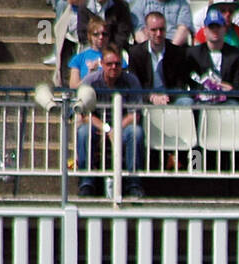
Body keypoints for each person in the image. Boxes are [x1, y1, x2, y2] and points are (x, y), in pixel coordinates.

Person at [76, 45, 146, 197]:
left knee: (136, 132)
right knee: (83, 132)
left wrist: (116, 129)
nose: (114, 67)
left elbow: (135, 114)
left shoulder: (131, 81)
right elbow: (84, 114)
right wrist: (107, 128)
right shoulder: (90, 81)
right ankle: (86, 182)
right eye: (109, 64)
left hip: (123, 125)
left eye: (117, 64)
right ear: (101, 64)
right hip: (97, 125)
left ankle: (134, 184)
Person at [128, 10, 194, 101]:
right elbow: (134, 85)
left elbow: (180, 85)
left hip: (170, 97)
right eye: (154, 30)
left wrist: (167, 97)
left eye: (161, 29)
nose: (158, 34)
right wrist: (151, 97)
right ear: (146, 30)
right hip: (145, 99)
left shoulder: (177, 53)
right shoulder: (135, 53)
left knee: (186, 101)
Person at [188, 6, 239, 95]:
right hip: (201, 100)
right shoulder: (193, 54)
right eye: (211, 27)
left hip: (229, 100)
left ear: (224, 29)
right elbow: (189, 82)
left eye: (218, 26)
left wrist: (230, 89)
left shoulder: (235, 54)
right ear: (205, 31)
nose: (215, 30)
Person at [68, 15, 110, 88]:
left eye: (104, 34)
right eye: (96, 34)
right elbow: (74, 87)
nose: (101, 37)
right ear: (89, 36)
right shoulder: (78, 58)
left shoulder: (115, 58)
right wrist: (90, 75)